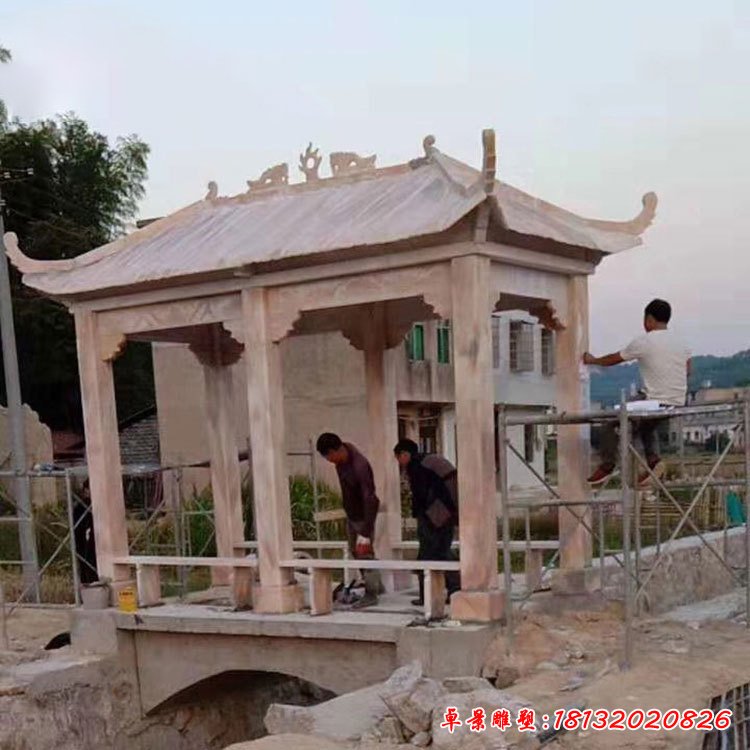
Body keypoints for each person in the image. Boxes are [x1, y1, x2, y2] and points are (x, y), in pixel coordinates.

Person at [583, 298, 691, 486]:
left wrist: (592, 360)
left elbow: (615, 358)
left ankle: (608, 465)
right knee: (646, 427)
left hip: (654, 400)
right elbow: (688, 370)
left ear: (649, 319)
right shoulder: (681, 342)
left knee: (610, 422)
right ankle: (654, 462)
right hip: (677, 401)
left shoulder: (645, 341)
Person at [316, 432, 382, 608]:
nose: (328, 460)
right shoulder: (341, 462)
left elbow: (371, 498)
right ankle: (376, 585)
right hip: (352, 514)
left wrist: (365, 532)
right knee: (355, 552)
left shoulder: (359, 466)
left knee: (365, 554)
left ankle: (372, 593)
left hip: (364, 516)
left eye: (327, 456)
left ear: (334, 451)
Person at [393, 439, 460, 606]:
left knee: (430, 554)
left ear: (405, 454)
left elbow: (421, 495)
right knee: (441, 552)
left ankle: (431, 595)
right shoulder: (428, 461)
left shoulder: (417, 466)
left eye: (398, 458)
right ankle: (451, 590)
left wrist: (422, 515)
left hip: (435, 514)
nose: (399, 463)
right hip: (447, 512)